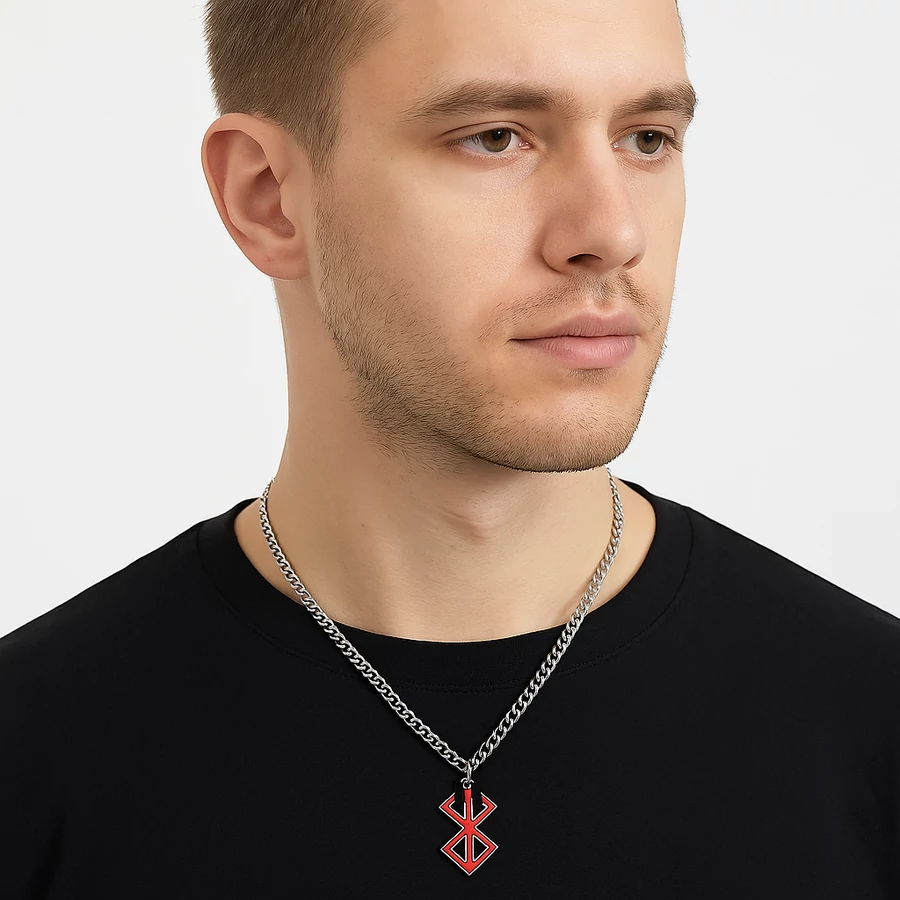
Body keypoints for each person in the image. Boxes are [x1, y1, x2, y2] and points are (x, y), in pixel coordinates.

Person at [2, 0, 898, 895]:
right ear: (268, 198)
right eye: (496, 138)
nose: (612, 233)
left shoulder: (871, 722)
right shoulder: (33, 759)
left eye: (647, 139)